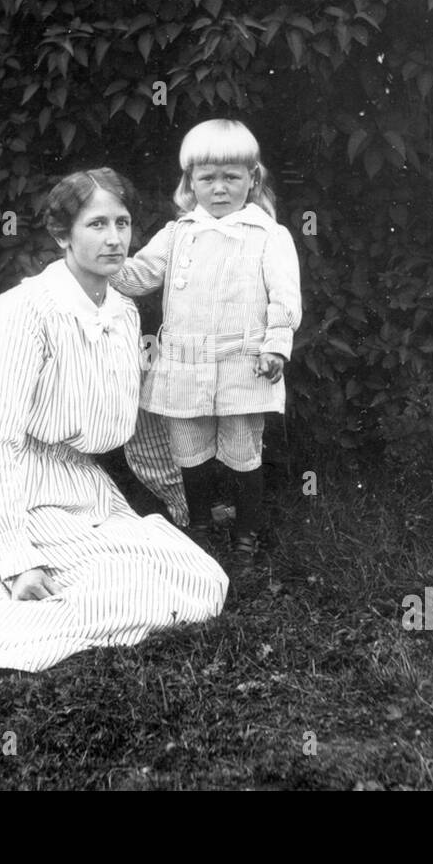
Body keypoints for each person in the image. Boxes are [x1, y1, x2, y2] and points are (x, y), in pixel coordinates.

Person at [0, 168, 228, 681]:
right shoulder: (26, 312)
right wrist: (17, 557)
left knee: (204, 579)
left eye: (123, 223)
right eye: (97, 224)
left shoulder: (122, 313)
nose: (114, 238)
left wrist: (177, 501)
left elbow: (138, 419)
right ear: (63, 235)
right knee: (125, 591)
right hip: (21, 491)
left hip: (87, 490)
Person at [110, 120, 302, 559]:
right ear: (190, 182)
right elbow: (139, 275)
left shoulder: (269, 236)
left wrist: (275, 346)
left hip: (245, 365)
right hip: (183, 365)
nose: (220, 188)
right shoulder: (179, 234)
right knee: (190, 451)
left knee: (242, 451)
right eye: (207, 178)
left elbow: (285, 297)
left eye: (232, 177)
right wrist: (103, 265)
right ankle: (196, 525)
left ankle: (246, 535)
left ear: (252, 180)